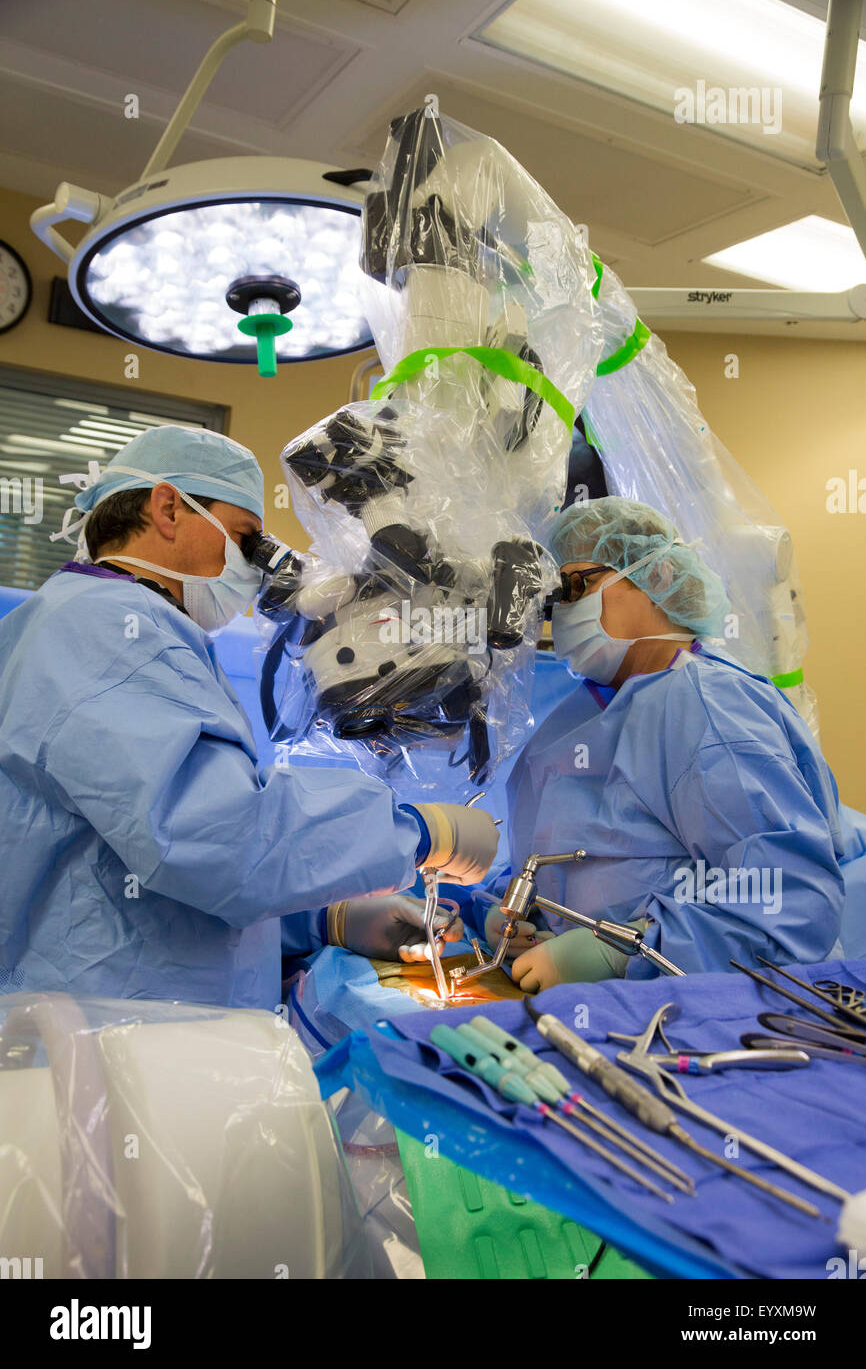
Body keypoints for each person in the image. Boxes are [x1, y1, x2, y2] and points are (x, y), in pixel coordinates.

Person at [0, 426, 497, 1008]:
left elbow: (143, 880)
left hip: (117, 1010)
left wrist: (324, 922)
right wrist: (417, 831)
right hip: (110, 1036)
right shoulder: (111, 634)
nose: (254, 567)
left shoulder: (95, 622)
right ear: (167, 509)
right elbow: (217, 839)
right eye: (244, 539)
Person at [484, 496, 864, 991]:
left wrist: (627, 950)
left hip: (716, 1012)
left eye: (580, 584)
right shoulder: (573, 719)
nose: (565, 609)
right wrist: (511, 910)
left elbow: (789, 897)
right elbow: (558, 860)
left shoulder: (707, 705)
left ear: (656, 580)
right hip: (591, 1005)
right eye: (559, 596)